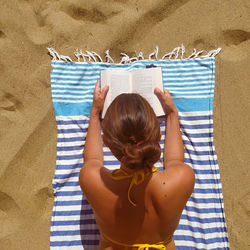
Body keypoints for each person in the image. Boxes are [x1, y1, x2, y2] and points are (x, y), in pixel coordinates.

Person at [79, 80, 195, 250]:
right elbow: (175, 161)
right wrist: (172, 114)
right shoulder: (183, 179)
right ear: (158, 138)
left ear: (107, 143)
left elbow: (92, 160)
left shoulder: (91, 179)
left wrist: (95, 113)